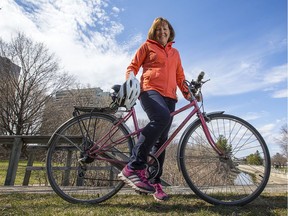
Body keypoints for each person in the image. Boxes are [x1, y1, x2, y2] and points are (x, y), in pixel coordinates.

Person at [118, 17, 191, 201]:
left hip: (170, 97)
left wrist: (189, 95)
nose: (162, 32)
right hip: (150, 91)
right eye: (158, 29)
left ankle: (154, 182)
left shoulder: (175, 53)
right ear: (154, 32)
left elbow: (180, 77)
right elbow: (132, 67)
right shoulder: (147, 46)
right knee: (160, 118)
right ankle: (133, 167)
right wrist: (131, 79)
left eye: (165, 29)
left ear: (170, 31)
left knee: (162, 142)